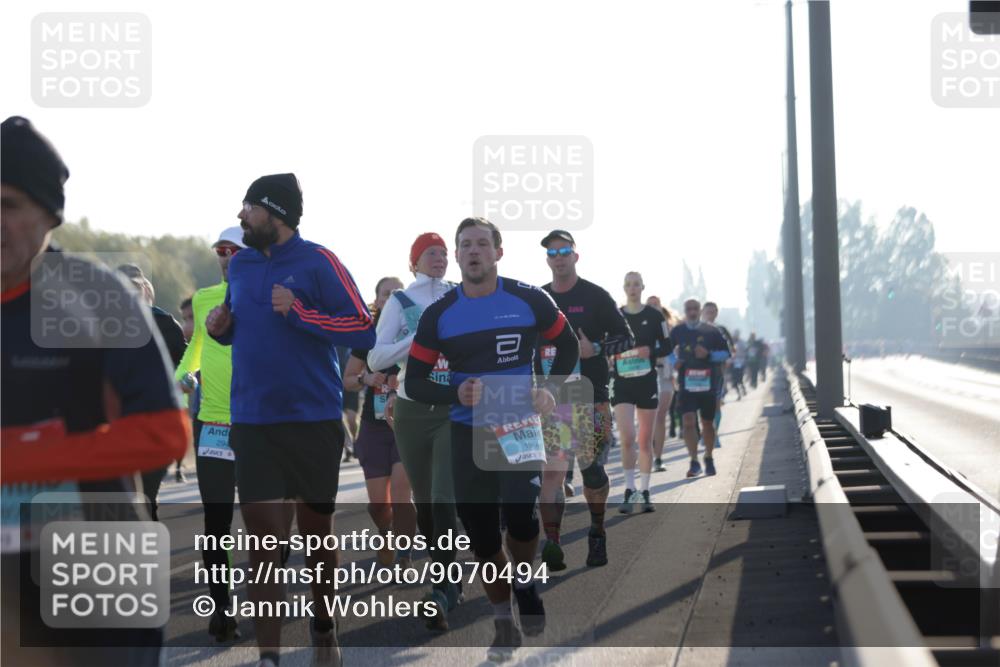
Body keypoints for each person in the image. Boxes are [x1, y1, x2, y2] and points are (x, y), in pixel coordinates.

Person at [1, 115, 189, 667]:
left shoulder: (94, 296)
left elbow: (165, 434)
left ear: (49, 215)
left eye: (8, 205)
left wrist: (25, 456)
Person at [207, 173, 375, 667]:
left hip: (312, 420)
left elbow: (362, 326)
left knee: (315, 537)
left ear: (274, 213)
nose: (241, 217)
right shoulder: (239, 269)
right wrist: (221, 328)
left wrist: (301, 312)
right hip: (253, 421)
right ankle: (269, 657)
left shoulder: (319, 261)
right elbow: (235, 325)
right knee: (262, 543)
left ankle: (324, 628)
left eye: (248, 208)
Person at [405, 217, 579, 663]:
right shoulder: (439, 314)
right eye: (466, 245)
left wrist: (550, 389)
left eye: (482, 243)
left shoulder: (528, 299)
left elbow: (569, 346)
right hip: (466, 431)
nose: (474, 251)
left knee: (521, 517)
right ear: (458, 256)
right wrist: (453, 392)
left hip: (517, 423)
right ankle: (504, 621)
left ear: (498, 252)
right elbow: (417, 380)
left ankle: (524, 580)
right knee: (482, 537)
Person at [367, 232, 463, 630]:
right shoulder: (401, 301)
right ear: (414, 262)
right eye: (430, 253)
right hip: (410, 407)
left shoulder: (460, 295)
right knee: (424, 502)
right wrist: (416, 343)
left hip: (452, 405)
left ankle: (443, 584)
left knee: (444, 496)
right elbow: (375, 356)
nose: (439, 258)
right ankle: (446, 577)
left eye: (443, 252)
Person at [537, 230, 633, 571]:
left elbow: (626, 338)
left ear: (575, 256)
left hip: (592, 398)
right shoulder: (540, 299)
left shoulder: (596, 296)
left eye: (564, 250)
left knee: (592, 471)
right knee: (552, 473)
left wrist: (596, 350)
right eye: (552, 252)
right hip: (554, 403)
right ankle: (552, 543)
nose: (558, 257)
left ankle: (596, 531)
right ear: (547, 259)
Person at [174, 226, 246, 642]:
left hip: (259, 425)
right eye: (221, 250)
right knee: (216, 523)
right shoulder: (203, 299)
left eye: (234, 249)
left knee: (266, 524)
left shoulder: (265, 297)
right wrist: (182, 377)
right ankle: (223, 608)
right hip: (215, 426)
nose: (226, 256)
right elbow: (194, 350)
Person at [342, 277, 417, 573]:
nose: (393, 297)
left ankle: (405, 554)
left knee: (401, 491)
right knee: (378, 505)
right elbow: (347, 378)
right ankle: (385, 535)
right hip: (373, 429)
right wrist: (366, 379)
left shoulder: (415, 334)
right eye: (387, 293)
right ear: (377, 301)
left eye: (399, 293)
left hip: (404, 426)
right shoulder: (367, 336)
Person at [118, 265, 187, 521]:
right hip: (115, 428)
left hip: (153, 427)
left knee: (144, 499)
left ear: (145, 290)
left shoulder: (164, 323)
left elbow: (185, 367)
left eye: (134, 288)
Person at [613, 273, 669, 513]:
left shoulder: (655, 315)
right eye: (628, 284)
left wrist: (651, 351)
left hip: (646, 382)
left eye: (636, 284)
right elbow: (605, 343)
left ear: (643, 287)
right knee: (627, 437)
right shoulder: (615, 315)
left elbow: (668, 344)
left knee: (644, 441)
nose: (632, 288)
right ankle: (629, 489)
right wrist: (615, 351)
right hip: (623, 383)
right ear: (624, 288)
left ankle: (645, 491)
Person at [669, 299, 730, 478]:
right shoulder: (678, 331)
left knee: (707, 424)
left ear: (700, 310)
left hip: (707, 385)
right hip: (686, 385)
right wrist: (675, 362)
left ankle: (709, 457)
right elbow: (667, 350)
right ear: (685, 311)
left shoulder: (711, 331)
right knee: (688, 422)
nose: (692, 312)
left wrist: (709, 355)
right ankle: (694, 461)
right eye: (689, 309)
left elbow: (726, 353)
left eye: (696, 309)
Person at [646, 296, 677, 472]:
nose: (652, 307)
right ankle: (647, 453)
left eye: (655, 304)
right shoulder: (637, 327)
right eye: (649, 305)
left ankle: (658, 458)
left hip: (665, 374)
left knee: (660, 416)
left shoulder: (668, 328)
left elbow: (673, 351)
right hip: (645, 374)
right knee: (646, 418)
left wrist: (674, 370)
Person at [701, 301, 736, 448]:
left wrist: (713, 356)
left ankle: (714, 435)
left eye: (712, 311)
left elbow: (730, 351)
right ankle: (705, 433)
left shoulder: (721, 330)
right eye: (707, 311)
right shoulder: (695, 329)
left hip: (716, 373)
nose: (710, 314)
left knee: (715, 406)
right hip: (698, 374)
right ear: (702, 312)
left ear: (716, 313)